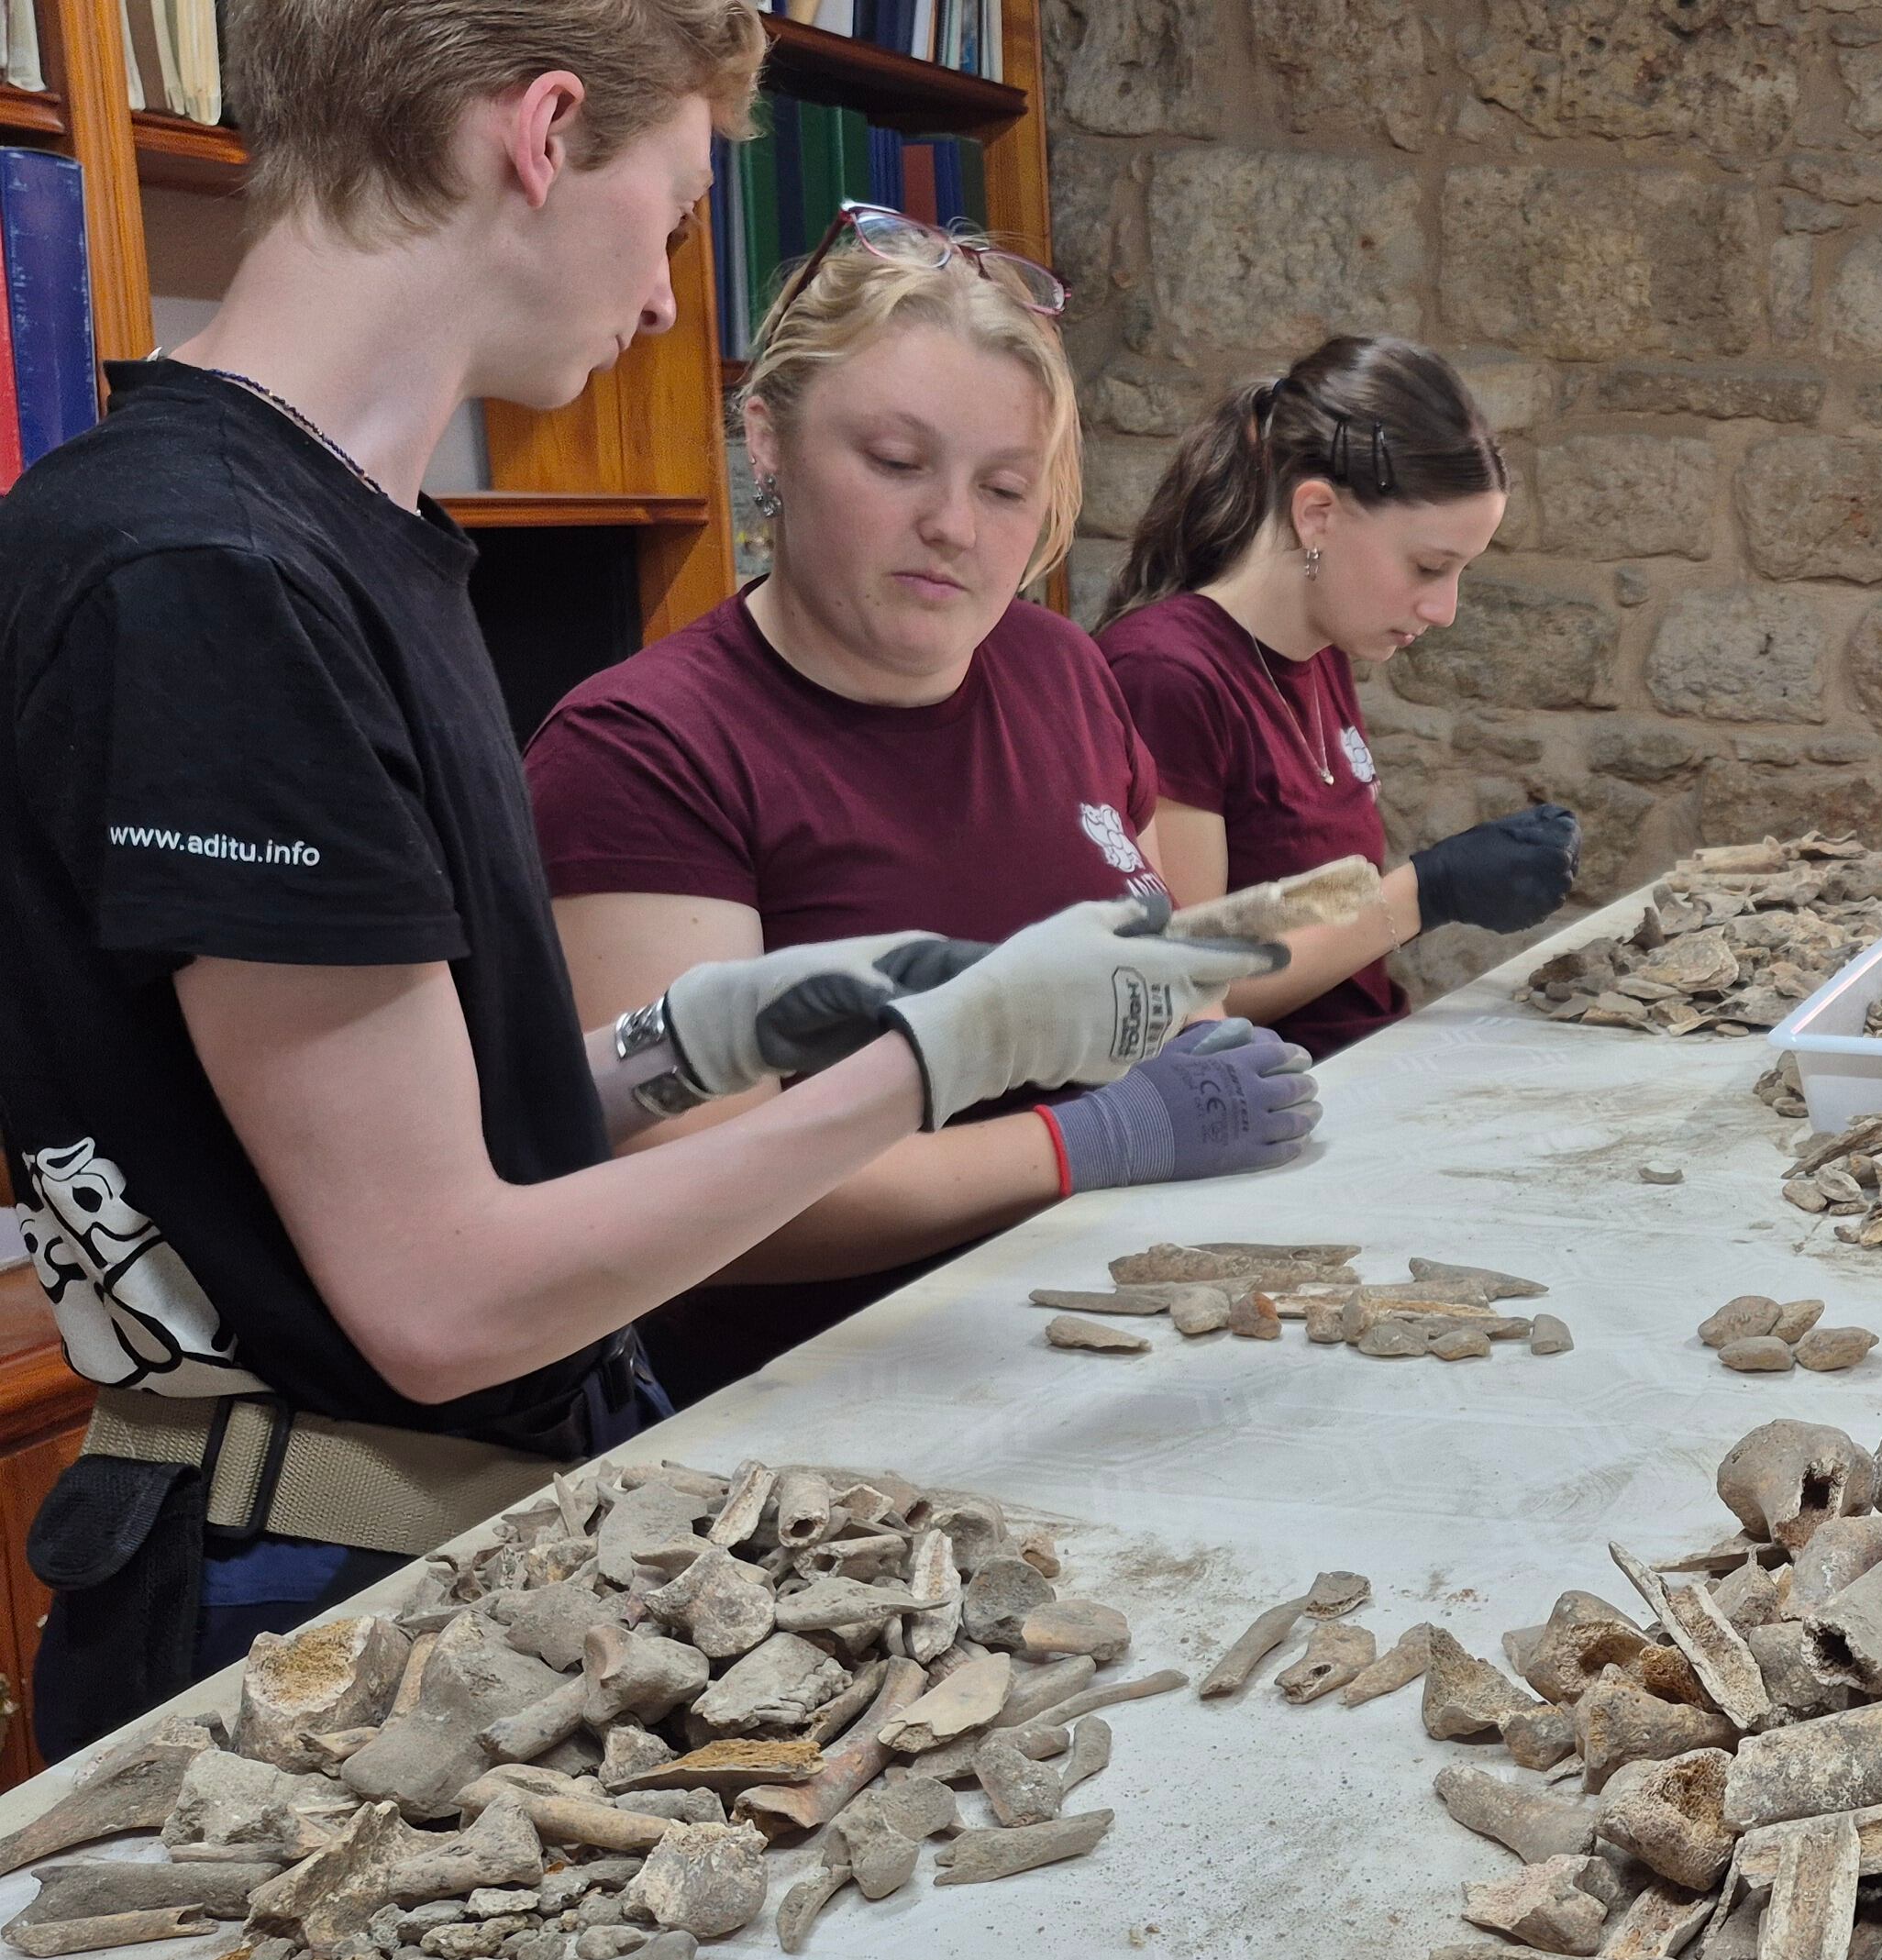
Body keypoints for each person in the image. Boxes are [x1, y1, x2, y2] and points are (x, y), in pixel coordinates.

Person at [0, 0, 1267, 1760]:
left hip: (450, 1537)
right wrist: (942, 1060)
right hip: (300, 1602)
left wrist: (703, 1038)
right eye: (671, 212)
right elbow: (439, 1295)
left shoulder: (350, 542)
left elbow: (426, 1130)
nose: (668, 297)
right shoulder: (207, 573)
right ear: (540, 134)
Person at [527, 205, 1316, 1401]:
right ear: (767, 439)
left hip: (1104, 1330)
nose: (952, 526)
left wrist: (1201, 1037)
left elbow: (1150, 963)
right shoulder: (646, 750)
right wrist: (1093, 1140)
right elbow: (684, 1198)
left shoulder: (1058, 667)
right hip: (829, 1415)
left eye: (1005, 487)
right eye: (897, 465)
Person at [1096, 336, 1580, 1058]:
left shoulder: (1321, 649)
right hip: (1263, 1113)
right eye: (1428, 566)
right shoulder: (1164, 674)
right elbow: (1193, 992)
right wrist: (1425, 893)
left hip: (1362, 1073)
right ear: (1317, 513)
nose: (1444, 609)